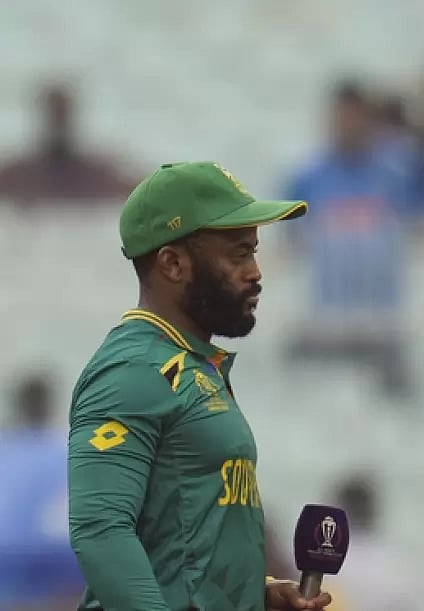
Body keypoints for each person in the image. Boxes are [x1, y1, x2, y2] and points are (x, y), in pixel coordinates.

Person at [67, 162, 333, 611]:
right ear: (173, 264)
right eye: (238, 254)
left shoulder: (192, 365)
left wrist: (256, 595)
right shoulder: (134, 370)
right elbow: (100, 530)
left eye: (253, 252)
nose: (256, 272)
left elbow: (182, 544)